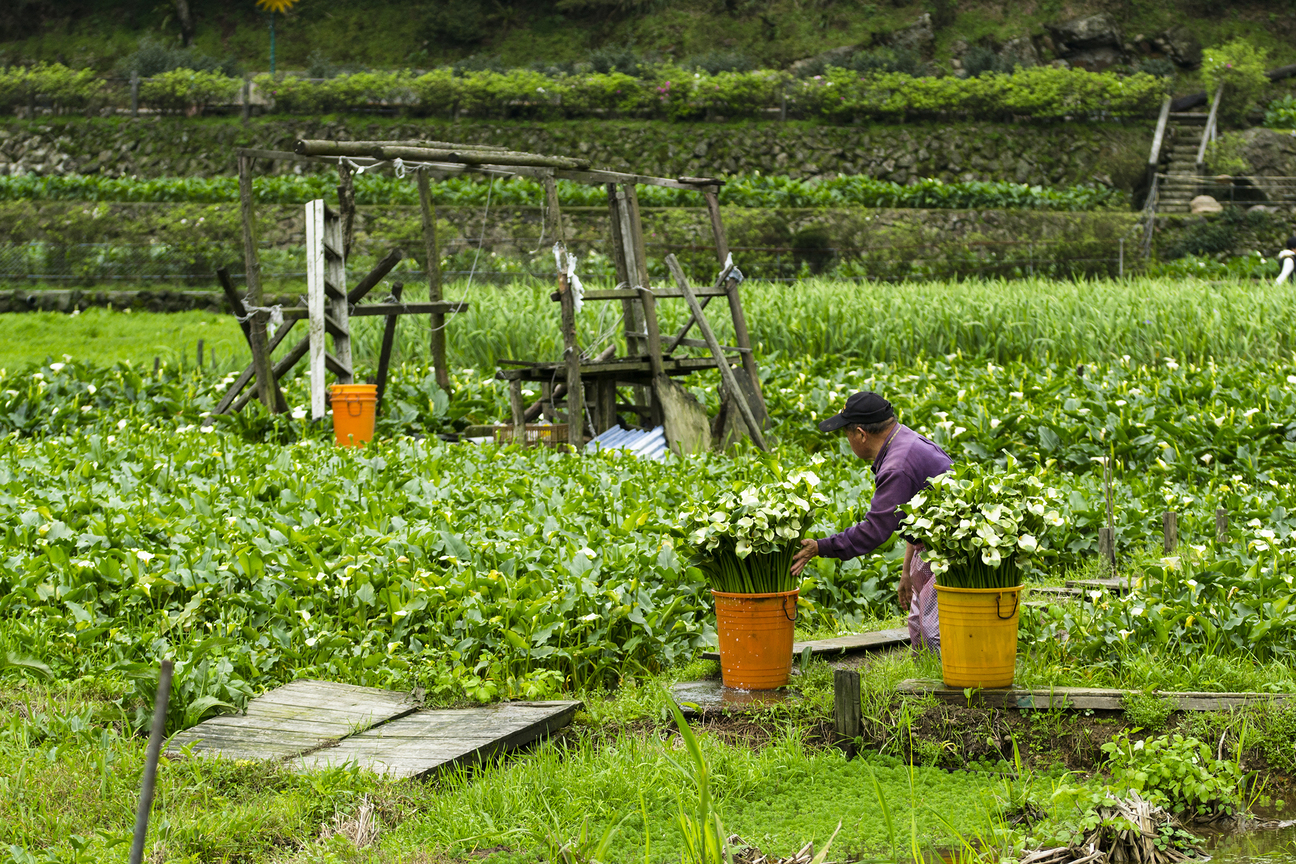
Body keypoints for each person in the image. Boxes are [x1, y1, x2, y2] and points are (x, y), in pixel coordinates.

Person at [790, 391, 952, 651]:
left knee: (935, 635)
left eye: (847, 434)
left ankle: (955, 677)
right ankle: (929, 675)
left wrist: (820, 547)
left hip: (949, 554)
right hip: (930, 545)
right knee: (918, 626)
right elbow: (915, 516)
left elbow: (874, 531)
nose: (848, 441)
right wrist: (907, 570)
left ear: (860, 434)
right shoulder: (904, 439)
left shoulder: (897, 466)